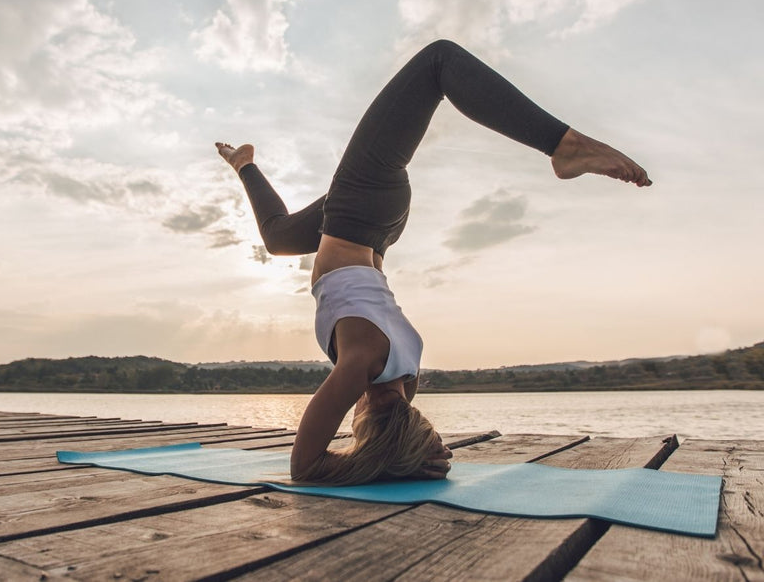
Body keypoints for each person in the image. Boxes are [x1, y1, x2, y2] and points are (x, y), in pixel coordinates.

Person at [215, 40, 651, 485]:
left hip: (378, 230)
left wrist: (404, 458)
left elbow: (396, 433)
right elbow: (304, 469)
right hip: (360, 214)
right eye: (357, 432)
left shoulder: (408, 374)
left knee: (279, 239)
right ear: (365, 421)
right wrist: (382, 463)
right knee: (437, 62)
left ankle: (244, 164)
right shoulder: (359, 366)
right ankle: (564, 145)